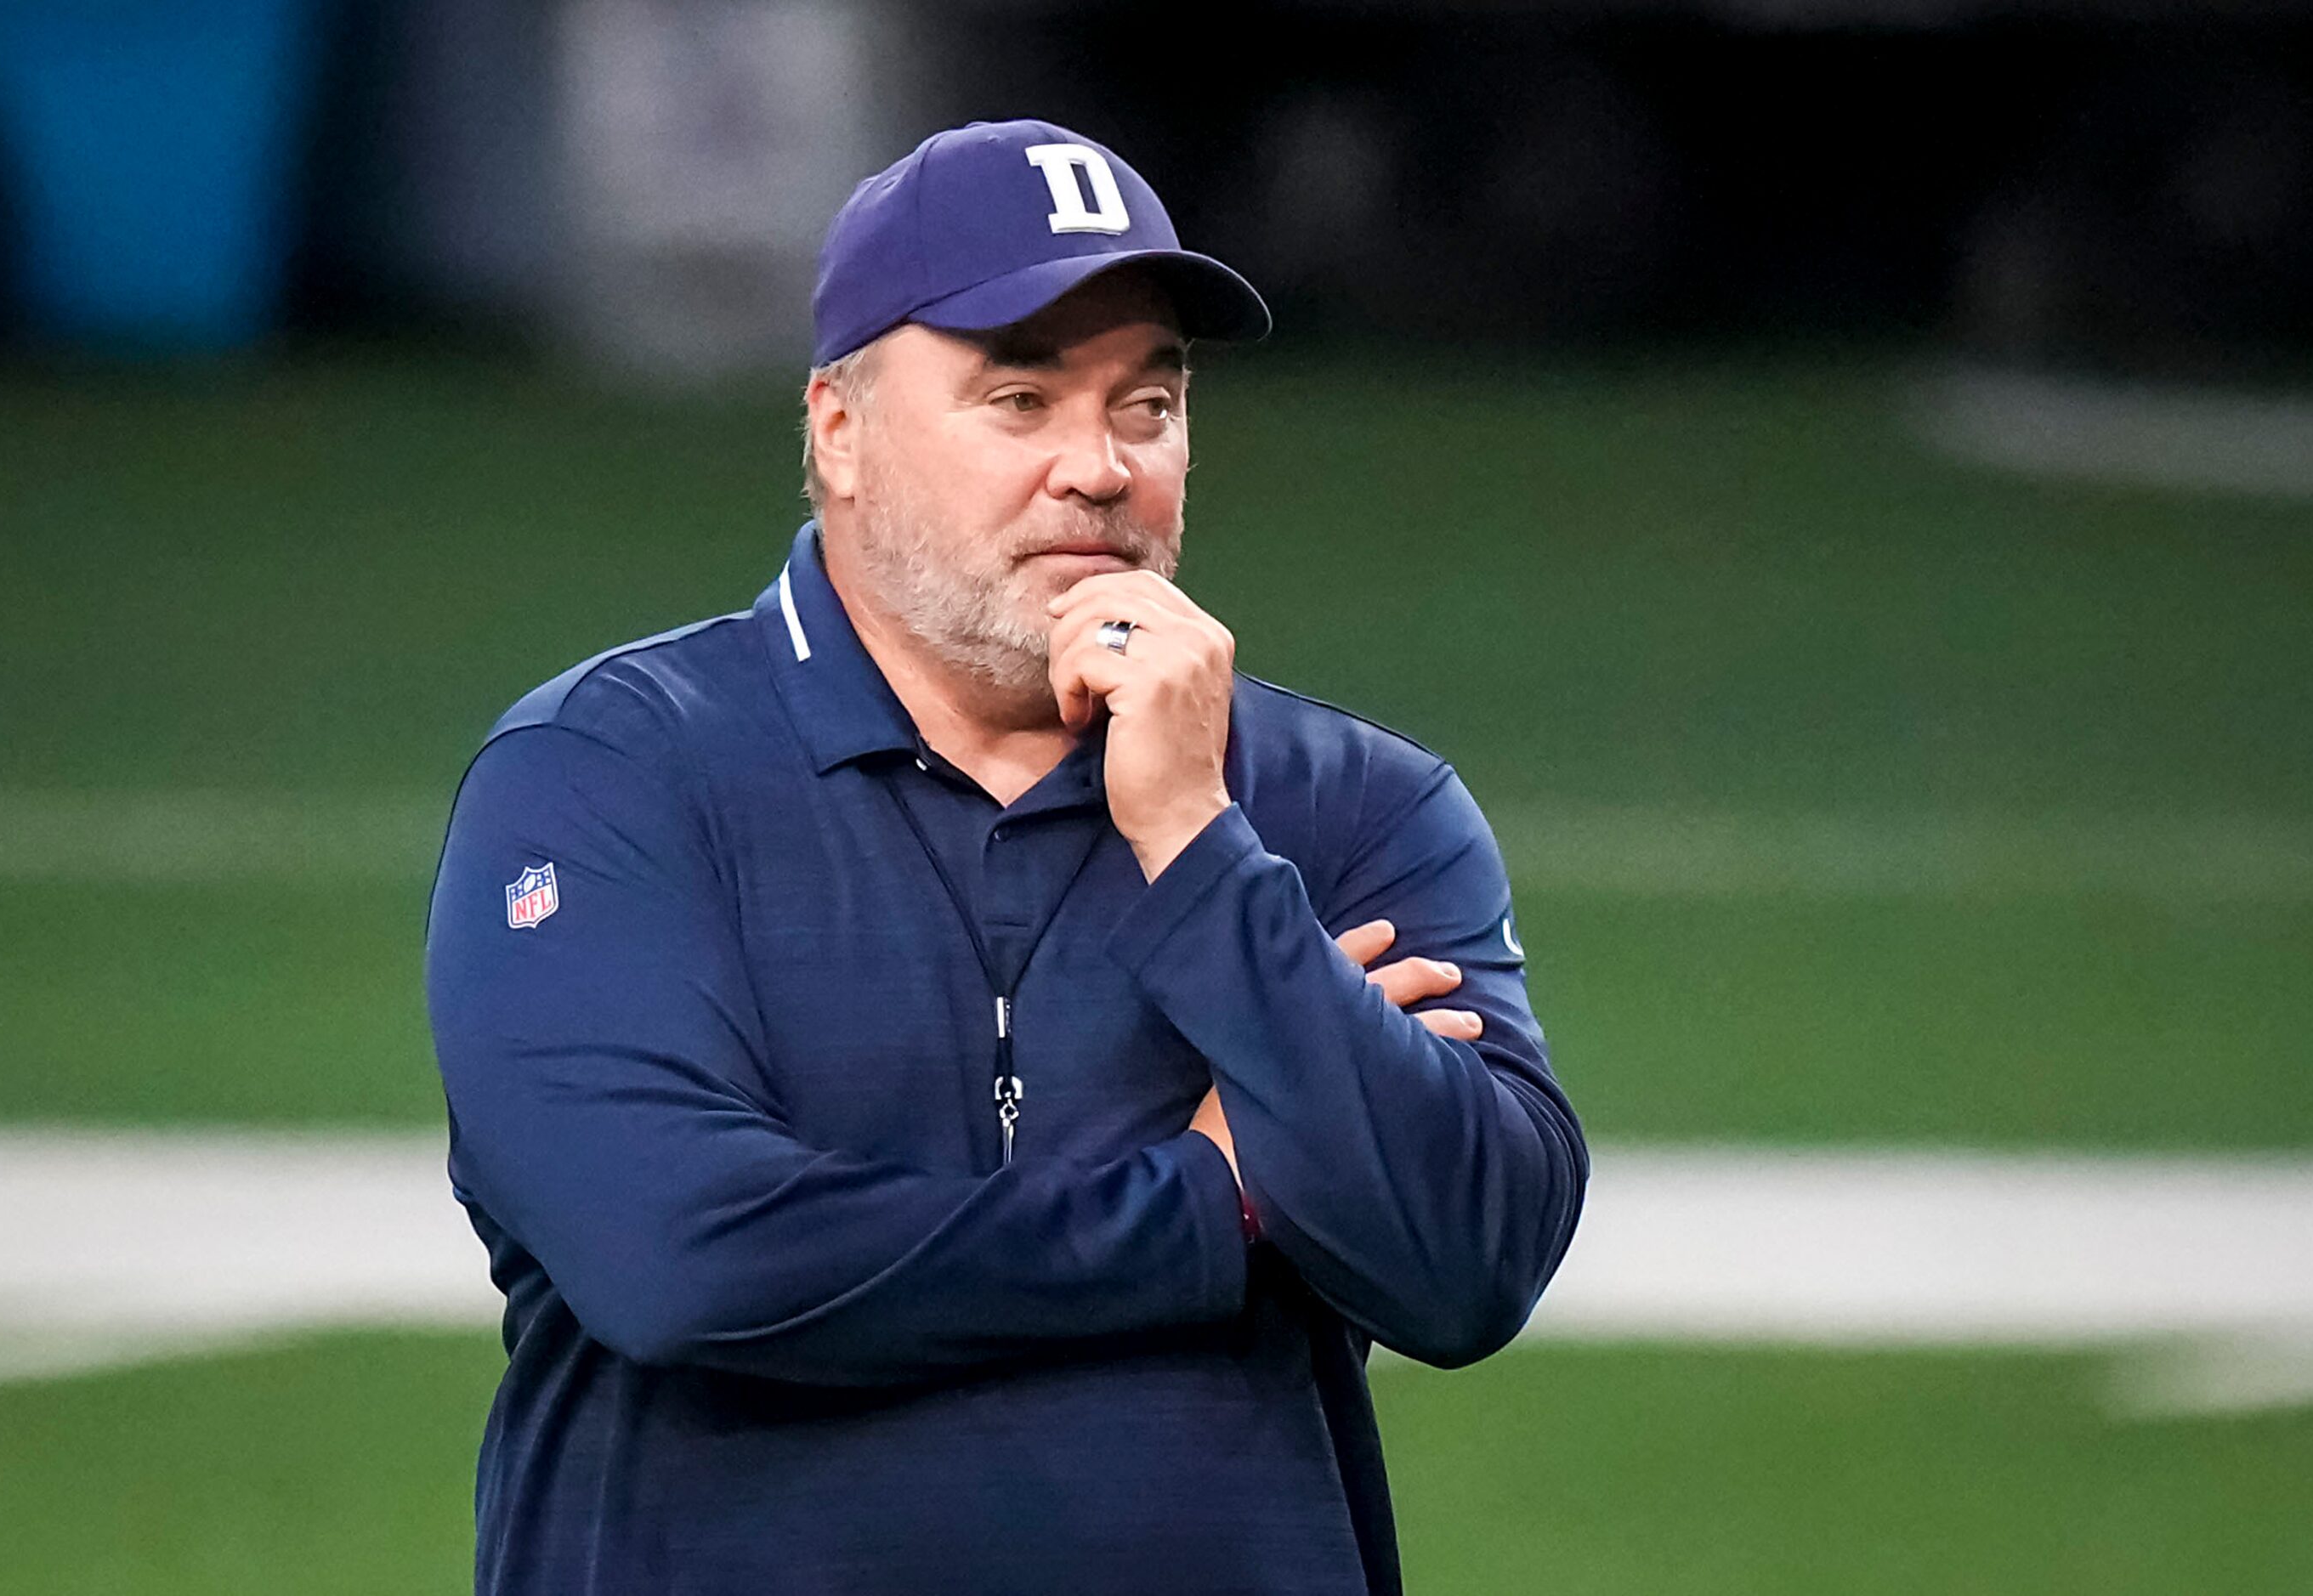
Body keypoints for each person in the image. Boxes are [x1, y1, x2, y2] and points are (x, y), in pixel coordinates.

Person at [425, 117, 1586, 1596]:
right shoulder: (613, 778)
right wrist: (1215, 1203)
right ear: (837, 429)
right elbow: (691, 1260)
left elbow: (1467, 1261)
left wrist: (1197, 845)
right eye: (1019, 395)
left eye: (1146, 402)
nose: (1096, 469)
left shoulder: (1345, 805)